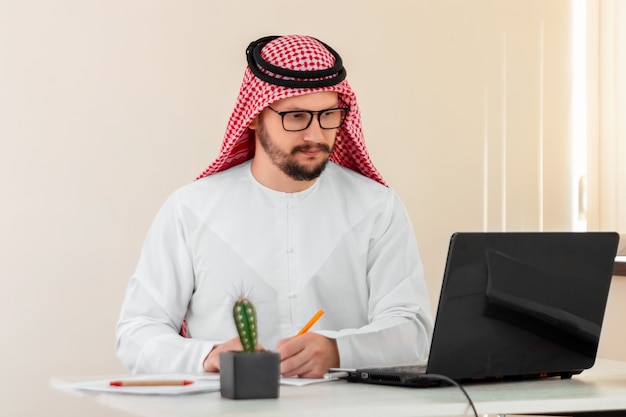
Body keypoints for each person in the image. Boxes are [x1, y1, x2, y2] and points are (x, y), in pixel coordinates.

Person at [116, 34, 433, 378]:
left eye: (328, 115)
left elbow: (413, 331)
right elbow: (136, 332)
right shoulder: (190, 208)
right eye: (296, 116)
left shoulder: (377, 207)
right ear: (253, 116)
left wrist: (339, 350)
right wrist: (207, 356)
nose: (315, 135)